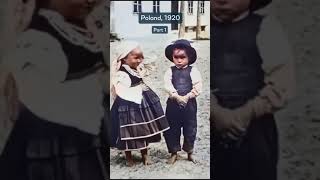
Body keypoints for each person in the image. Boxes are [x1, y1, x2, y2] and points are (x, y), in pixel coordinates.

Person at [0, 0, 109, 179]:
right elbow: (41, 98)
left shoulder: (85, 27)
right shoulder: (36, 38)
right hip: (59, 140)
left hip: (94, 133)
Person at [211, 0, 295, 179]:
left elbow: (281, 84)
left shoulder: (266, 28)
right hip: (207, 128)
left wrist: (245, 114)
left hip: (255, 130)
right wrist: (215, 112)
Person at [110, 41, 169, 167]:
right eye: (136, 57)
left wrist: (140, 57)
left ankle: (145, 154)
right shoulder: (121, 74)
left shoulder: (136, 68)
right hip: (128, 104)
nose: (139, 60)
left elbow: (148, 64)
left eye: (141, 56)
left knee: (143, 128)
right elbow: (119, 90)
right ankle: (128, 156)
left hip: (142, 100)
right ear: (124, 58)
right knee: (128, 130)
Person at [163, 39, 203, 164]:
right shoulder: (170, 71)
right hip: (173, 104)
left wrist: (187, 96)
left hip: (189, 104)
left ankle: (189, 152)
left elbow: (198, 86)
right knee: (172, 128)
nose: (179, 60)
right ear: (172, 57)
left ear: (189, 57)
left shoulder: (193, 71)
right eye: (176, 57)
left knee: (190, 128)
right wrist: (176, 96)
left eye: (182, 57)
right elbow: (167, 85)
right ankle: (174, 152)